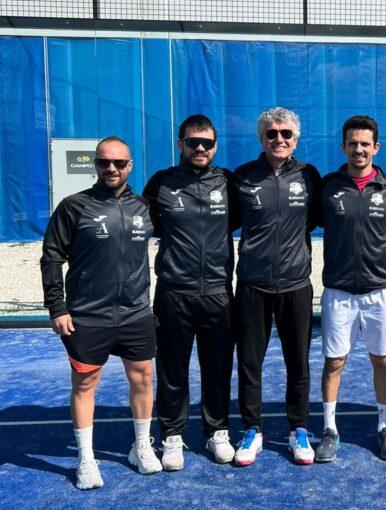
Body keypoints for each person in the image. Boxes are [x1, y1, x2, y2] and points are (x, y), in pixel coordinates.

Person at [41, 136, 161, 489]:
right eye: (104, 162)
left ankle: (140, 446)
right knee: (85, 384)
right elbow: (51, 257)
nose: (112, 169)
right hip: (87, 317)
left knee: (142, 380)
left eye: (119, 163)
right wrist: (56, 306)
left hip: (136, 314)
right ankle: (86, 459)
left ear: (130, 166)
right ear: (95, 164)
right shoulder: (73, 206)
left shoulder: (144, 207)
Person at [142, 115, 239, 470]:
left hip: (217, 293)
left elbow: (244, 221)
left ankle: (217, 431)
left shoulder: (228, 182)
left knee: (217, 368)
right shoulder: (162, 182)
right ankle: (171, 437)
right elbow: (143, 225)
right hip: (173, 293)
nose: (200, 148)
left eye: (207, 143)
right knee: (172, 370)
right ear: (180, 143)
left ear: (215, 146)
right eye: (193, 142)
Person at [232, 107, 321, 465]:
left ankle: (299, 428)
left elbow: (316, 220)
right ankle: (252, 429)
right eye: (272, 134)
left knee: (297, 362)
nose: (279, 139)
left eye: (286, 134)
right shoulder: (243, 177)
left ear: (296, 139)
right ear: (262, 139)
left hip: (296, 285)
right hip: (252, 284)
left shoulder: (310, 176)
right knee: (250, 363)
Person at [314, 116, 386, 462]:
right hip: (338, 290)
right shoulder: (328, 187)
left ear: (375, 148)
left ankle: (384, 427)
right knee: (334, 361)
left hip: (379, 290)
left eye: (365, 143)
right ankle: (329, 429)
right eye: (353, 143)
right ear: (343, 147)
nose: (359, 149)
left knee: (381, 359)